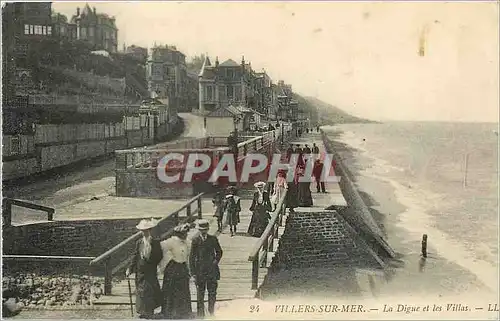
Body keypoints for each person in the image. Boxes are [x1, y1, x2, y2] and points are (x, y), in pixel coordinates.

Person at [127, 218, 163, 319]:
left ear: (150, 230)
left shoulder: (155, 242)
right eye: (143, 231)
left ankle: (150, 311)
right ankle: (142, 311)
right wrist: (130, 268)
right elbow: (135, 256)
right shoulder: (139, 242)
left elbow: (159, 255)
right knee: (141, 291)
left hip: (151, 270)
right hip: (140, 270)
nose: (144, 233)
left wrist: (154, 264)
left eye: (146, 231)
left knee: (150, 290)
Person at [190, 219, 223, 318]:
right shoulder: (195, 240)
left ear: (208, 229)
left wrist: (216, 261)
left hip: (212, 270)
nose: (203, 231)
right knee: (200, 293)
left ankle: (211, 312)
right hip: (200, 270)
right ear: (198, 230)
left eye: (205, 229)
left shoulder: (213, 239)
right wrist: (193, 273)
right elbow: (191, 257)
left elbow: (219, 252)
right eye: (201, 230)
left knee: (212, 292)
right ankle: (200, 315)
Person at [159, 223, 192, 319]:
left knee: (183, 288)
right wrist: (164, 262)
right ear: (178, 234)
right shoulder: (171, 241)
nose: (185, 235)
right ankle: (169, 311)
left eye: (186, 233)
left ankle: (183, 311)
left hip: (183, 267)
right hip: (173, 267)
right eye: (183, 233)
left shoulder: (188, 242)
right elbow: (160, 248)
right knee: (171, 289)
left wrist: (189, 269)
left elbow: (188, 256)